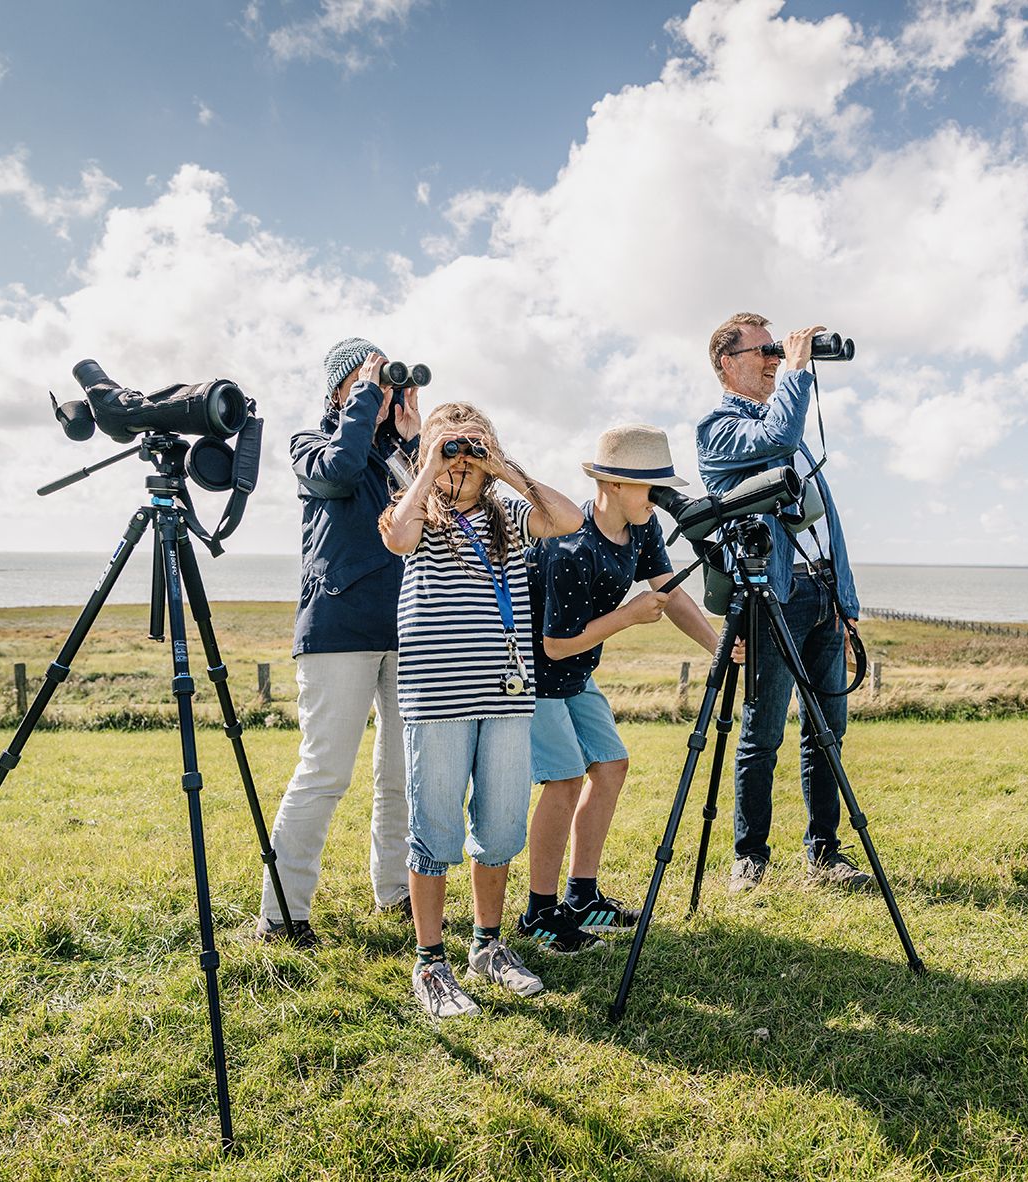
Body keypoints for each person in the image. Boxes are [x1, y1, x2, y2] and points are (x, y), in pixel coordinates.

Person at [379, 402, 585, 1017]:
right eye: (452, 448)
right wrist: (428, 459)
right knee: (434, 830)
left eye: (473, 449)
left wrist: (504, 466)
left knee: (499, 829)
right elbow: (397, 537)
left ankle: (488, 947)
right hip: (437, 704)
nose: (461, 461)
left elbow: (569, 518)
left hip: (505, 701)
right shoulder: (416, 510)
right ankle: (430, 962)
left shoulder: (512, 518)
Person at [515, 424, 725, 952]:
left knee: (610, 765)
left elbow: (670, 594)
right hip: (538, 677)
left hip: (577, 675)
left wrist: (718, 646)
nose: (659, 497)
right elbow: (555, 645)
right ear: (611, 484)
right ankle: (540, 913)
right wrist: (628, 617)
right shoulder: (567, 545)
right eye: (649, 487)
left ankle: (582, 896)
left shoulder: (643, 527)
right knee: (563, 781)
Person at [695, 313, 872, 894]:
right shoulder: (717, 428)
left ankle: (824, 852)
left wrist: (845, 604)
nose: (774, 359)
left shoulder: (785, 421)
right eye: (762, 351)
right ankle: (751, 855)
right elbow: (776, 439)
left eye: (778, 351)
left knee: (828, 728)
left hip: (818, 590)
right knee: (762, 730)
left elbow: (829, 528)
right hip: (774, 598)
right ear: (727, 363)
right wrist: (798, 368)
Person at [257, 338, 419, 948]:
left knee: (403, 772)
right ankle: (282, 915)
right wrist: (363, 406)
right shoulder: (311, 446)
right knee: (325, 771)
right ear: (339, 393)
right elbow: (338, 472)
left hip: (405, 628)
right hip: (338, 631)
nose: (382, 393)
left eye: (388, 382)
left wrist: (411, 438)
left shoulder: (392, 454)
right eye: (368, 380)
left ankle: (397, 891)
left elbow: (430, 508)